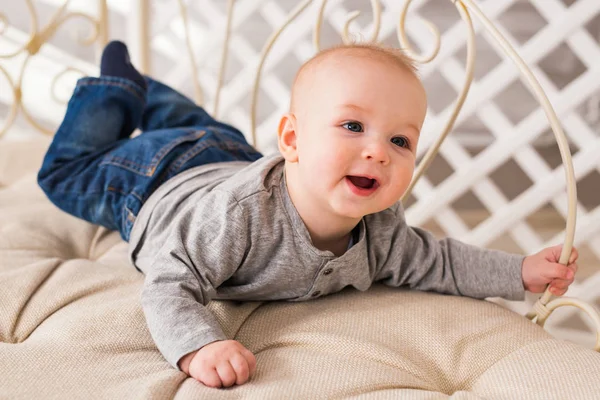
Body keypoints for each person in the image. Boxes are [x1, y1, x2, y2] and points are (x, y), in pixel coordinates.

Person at [37, 41, 578, 388]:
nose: (378, 151)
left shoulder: (381, 229)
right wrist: (198, 344)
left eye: (400, 139)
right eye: (352, 127)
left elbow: (440, 263)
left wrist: (520, 272)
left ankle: (159, 101)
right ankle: (118, 88)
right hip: (157, 179)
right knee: (63, 176)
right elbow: (168, 283)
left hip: (229, 154)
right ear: (292, 139)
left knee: (202, 127)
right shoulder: (240, 219)